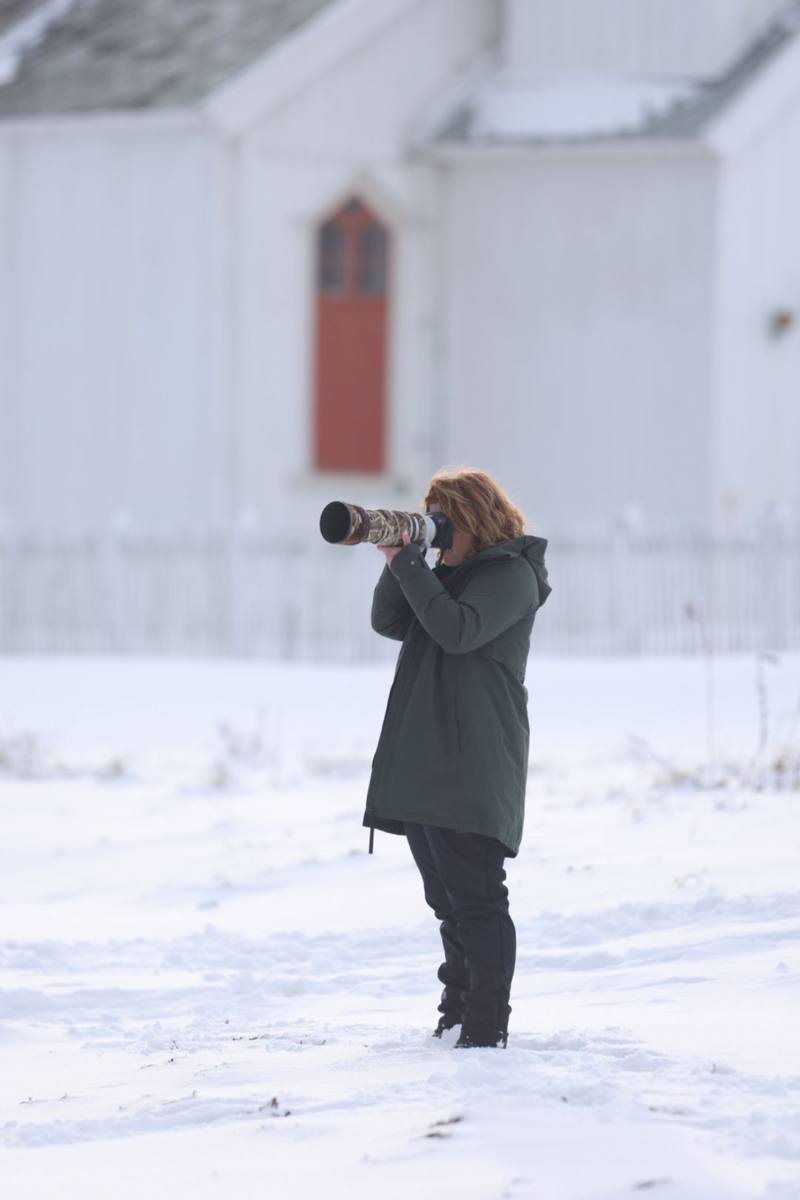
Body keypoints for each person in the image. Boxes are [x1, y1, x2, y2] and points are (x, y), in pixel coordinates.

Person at [362, 466, 552, 1049]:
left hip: (473, 761)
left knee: (477, 897)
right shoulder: (442, 572)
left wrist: (412, 565)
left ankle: (487, 1023)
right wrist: (405, 555)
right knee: (446, 900)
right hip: (427, 760)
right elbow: (389, 620)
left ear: (475, 518)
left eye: (446, 520)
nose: (439, 532)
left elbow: (457, 630)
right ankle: (458, 1009)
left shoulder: (511, 575)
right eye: (433, 518)